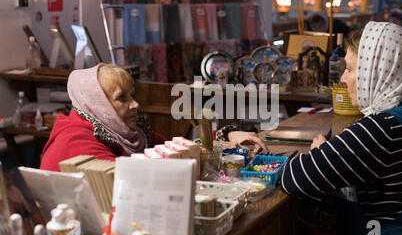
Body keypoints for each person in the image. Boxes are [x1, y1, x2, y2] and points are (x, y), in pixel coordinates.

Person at [281, 22, 402, 235]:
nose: (342, 78)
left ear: (376, 72)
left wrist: (321, 154)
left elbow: (296, 178)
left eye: (350, 69)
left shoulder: (385, 129)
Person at [40, 64, 267, 172]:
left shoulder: (131, 134)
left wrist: (224, 136)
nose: (135, 105)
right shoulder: (75, 143)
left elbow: (175, 149)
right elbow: (134, 180)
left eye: (133, 95)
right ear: (97, 105)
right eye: (122, 98)